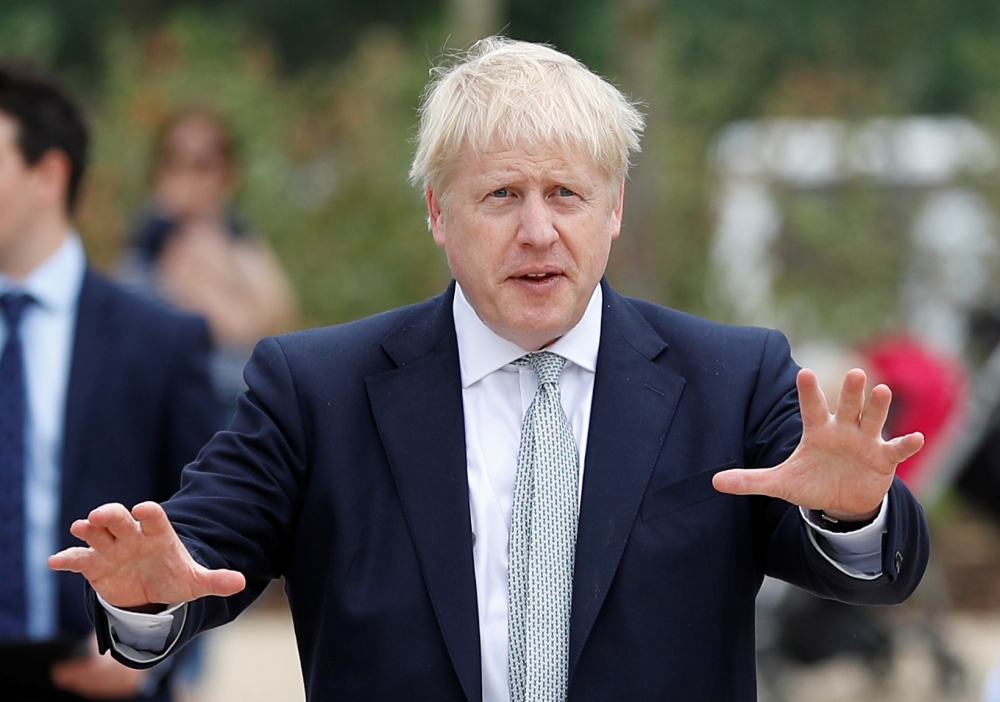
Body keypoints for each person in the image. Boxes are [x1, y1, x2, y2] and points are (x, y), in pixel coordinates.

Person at [50, 38, 930, 702]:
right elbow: (197, 552)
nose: (539, 232)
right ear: (439, 210)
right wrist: (145, 603)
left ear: (615, 208)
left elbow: (878, 573)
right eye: (502, 195)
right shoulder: (315, 388)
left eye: (567, 195)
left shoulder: (733, 377)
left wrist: (851, 511)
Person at [0, 64, 223, 701]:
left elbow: (209, 521)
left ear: (48, 175)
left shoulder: (160, 342)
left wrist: (146, 656)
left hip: (100, 677)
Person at [117, 109, 299, 412]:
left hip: (243, 402)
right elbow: (241, 327)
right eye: (176, 164)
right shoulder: (161, 239)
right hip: (195, 407)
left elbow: (285, 316)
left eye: (204, 166)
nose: (191, 180)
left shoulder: (233, 233)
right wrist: (232, 278)